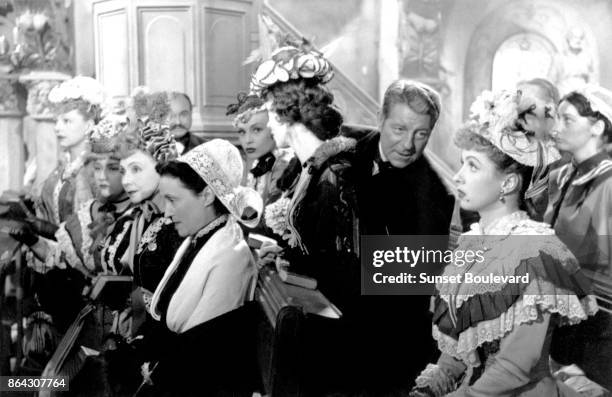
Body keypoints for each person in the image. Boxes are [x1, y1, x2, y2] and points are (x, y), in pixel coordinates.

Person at [410, 89, 598, 397]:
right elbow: (461, 341)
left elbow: (514, 369)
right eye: (461, 164)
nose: (457, 177)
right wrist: (441, 377)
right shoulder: (473, 243)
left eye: (472, 166)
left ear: (508, 183)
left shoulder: (536, 253)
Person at [251, 41, 361, 394]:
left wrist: (290, 259)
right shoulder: (303, 168)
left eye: (269, 115)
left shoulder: (335, 172)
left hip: (334, 320)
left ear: (287, 115)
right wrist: (280, 251)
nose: (268, 126)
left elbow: (342, 261)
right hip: (304, 304)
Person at [351, 79, 455, 393]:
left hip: (388, 339)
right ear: (380, 120)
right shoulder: (344, 146)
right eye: (399, 129)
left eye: (421, 134)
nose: (408, 145)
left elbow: (405, 293)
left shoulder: (436, 197)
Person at [143, 139, 262, 396]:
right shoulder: (199, 238)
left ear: (207, 195)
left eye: (173, 200)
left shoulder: (232, 257)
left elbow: (199, 354)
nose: (166, 213)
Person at [544, 85, 612, 390]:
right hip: (562, 311)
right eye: (556, 118)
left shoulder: (608, 183)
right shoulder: (562, 176)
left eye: (567, 119)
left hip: (599, 321)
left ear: (597, 126)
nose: (557, 128)